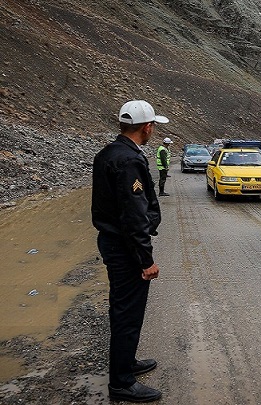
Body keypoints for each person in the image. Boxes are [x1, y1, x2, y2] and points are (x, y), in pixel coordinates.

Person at [92, 99, 169, 403]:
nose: (153, 130)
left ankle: (127, 363)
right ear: (147, 127)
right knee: (128, 312)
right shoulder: (129, 161)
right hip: (125, 248)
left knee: (124, 309)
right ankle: (121, 383)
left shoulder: (108, 153)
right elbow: (133, 215)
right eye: (153, 126)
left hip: (114, 242)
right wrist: (146, 259)